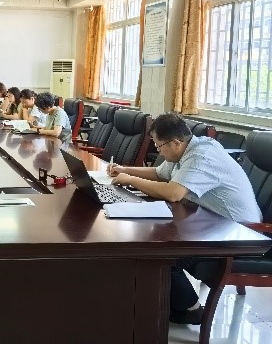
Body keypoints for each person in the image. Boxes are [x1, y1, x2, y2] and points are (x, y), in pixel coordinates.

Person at [107, 113, 262, 325]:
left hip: (239, 232)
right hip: (213, 224)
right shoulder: (186, 150)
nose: (157, 150)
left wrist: (131, 180)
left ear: (176, 142)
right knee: (154, 240)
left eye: (158, 145)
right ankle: (165, 300)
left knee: (160, 254)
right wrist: (124, 170)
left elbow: (174, 193)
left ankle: (192, 309)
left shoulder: (202, 156)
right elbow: (159, 174)